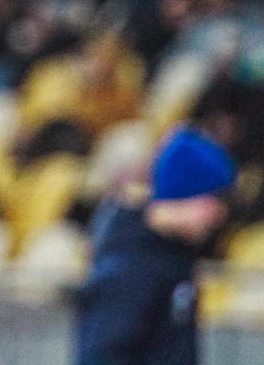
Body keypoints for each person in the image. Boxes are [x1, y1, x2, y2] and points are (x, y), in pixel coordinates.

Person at [75, 127, 237, 365]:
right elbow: (101, 355)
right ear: (186, 194)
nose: (218, 215)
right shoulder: (129, 268)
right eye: (214, 201)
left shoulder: (174, 258)